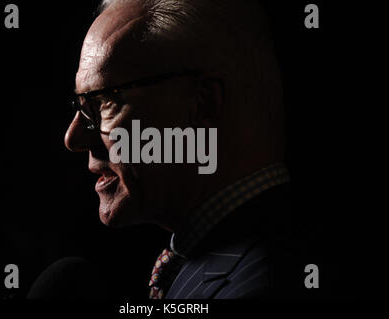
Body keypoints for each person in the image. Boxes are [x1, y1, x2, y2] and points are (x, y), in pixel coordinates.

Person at [65, 0, 298, 299]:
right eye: (81, 107)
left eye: (104, 102)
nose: (72, 138)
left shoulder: (259, 284)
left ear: (203, 104)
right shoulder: (228, 262)